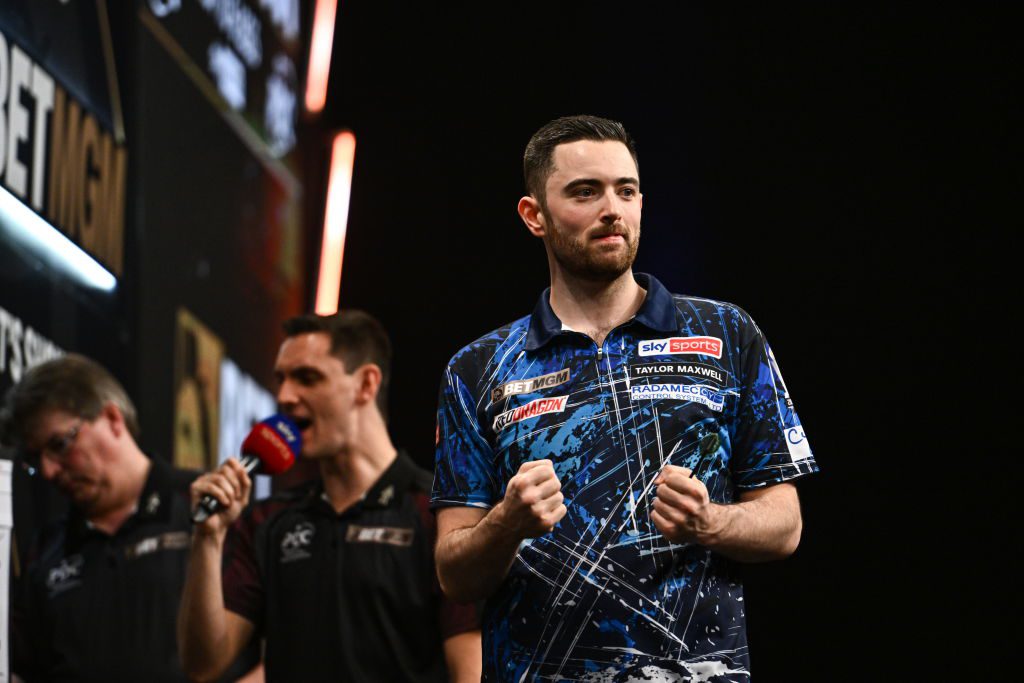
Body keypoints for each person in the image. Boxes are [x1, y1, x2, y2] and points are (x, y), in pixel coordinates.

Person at [432, 115, 819, 681]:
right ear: (533, 215)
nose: (612, 208)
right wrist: (507, 523)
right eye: (585, 192)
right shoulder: (478, 368)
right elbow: (452, 573)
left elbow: (785, 526)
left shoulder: (725, 334)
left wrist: (708, 521)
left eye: (626, 190)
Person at [178, 310, 481, 683]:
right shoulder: (267, 521)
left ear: (366, 384)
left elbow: (470, 672)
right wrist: (207, 539)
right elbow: (203, 665)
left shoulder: (436, 514)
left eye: (307, 378)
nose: (285, 396)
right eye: (281, 380)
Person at [0, 354, 257, 682]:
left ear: (112, 418)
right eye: (36, 460)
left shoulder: (216, 511)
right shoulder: (45, 550)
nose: (49, 471)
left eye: (60, 444)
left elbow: (281, 648)